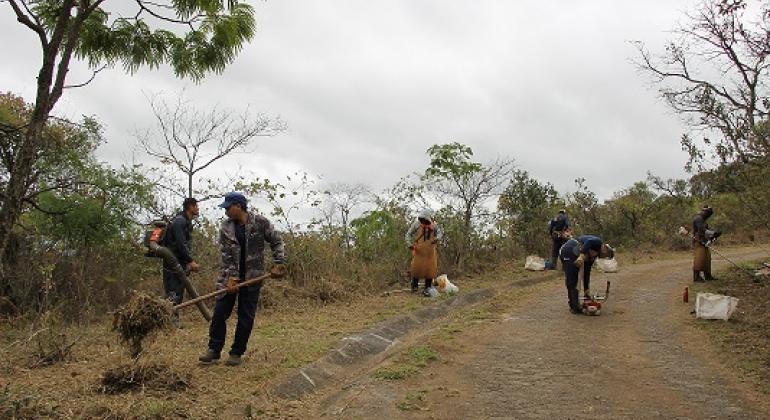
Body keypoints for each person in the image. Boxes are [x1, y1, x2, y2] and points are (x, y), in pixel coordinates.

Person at [199, 192, 286, 366]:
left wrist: (279, 262)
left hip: (253, 278)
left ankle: (236, 353)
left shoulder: (260, 223)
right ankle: (214, 350)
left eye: (228, 208)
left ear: (238, 206)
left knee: (246, 317)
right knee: (219, 314)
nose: (225, 212)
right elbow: (225, 256)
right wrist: (231, 278)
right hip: (229, 278)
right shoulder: (225, 228)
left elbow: (277, 241)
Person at [162, 197, 200, 326]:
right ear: (190, 207)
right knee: (173, 292)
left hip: (179, 262)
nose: (198, 208)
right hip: (172, 263)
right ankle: (169, 321)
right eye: (196, 206)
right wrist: (191, 261)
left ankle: (172, 320)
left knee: (178, 291)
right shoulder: (179, 222)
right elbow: (180, 244)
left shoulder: (186, 222)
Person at [559, 234, 614, 314]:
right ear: (605, 249)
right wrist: (581, 255)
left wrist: (586, 290)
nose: (604, 257)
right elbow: (589, 241)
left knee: (576, 277)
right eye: (606, 255)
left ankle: (574, 305)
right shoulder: (598, 242)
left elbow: (586, 272)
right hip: (568, 250)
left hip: (576, 252)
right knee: (572, 278)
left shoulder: (594, 256)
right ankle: (574, 306)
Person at [405, 209, 444, 296]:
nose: (423, 221)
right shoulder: (416, 224)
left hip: (430, 252)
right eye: (422, 219)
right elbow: (408, 234)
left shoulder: (434, 225)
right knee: (416, 268)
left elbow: (440, 233)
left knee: (430, 269)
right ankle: (414, 286)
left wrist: (437, 238)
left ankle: (428, 287)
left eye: (425, 219)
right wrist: (409, 244)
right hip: (419, 250)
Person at [692, 206, 721, 282]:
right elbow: (701, 229)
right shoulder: (698, 218)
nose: (708, 215)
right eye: (708, 213)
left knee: (707, 258)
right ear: (704, 211)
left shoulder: (704, 221)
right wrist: (713, 233)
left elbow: (706, 232)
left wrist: (713, 237)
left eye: (710, 214)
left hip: (704, 240)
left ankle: (708, 275)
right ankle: (696, 277)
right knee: (699, 258)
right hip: (698, 241)